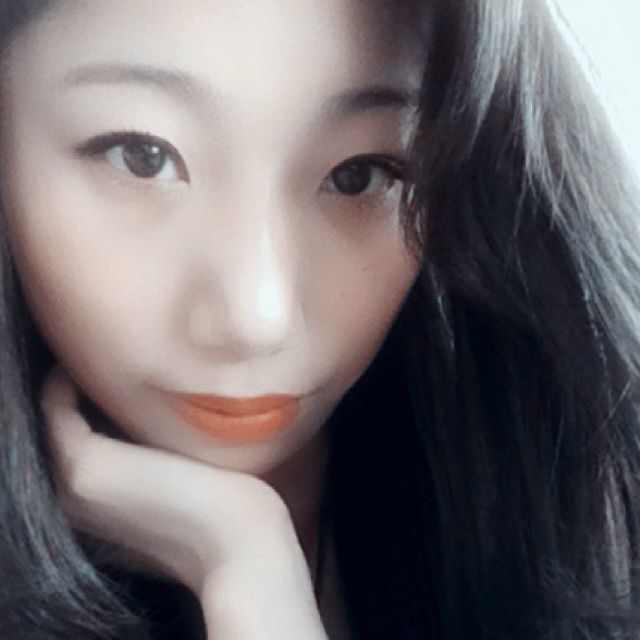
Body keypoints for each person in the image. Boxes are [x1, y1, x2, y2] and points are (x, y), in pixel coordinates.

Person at [0, 0, 639, 639]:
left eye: (359, 175)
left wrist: (249, 574)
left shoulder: (577, 522)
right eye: (142, 157)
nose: (259, 318)